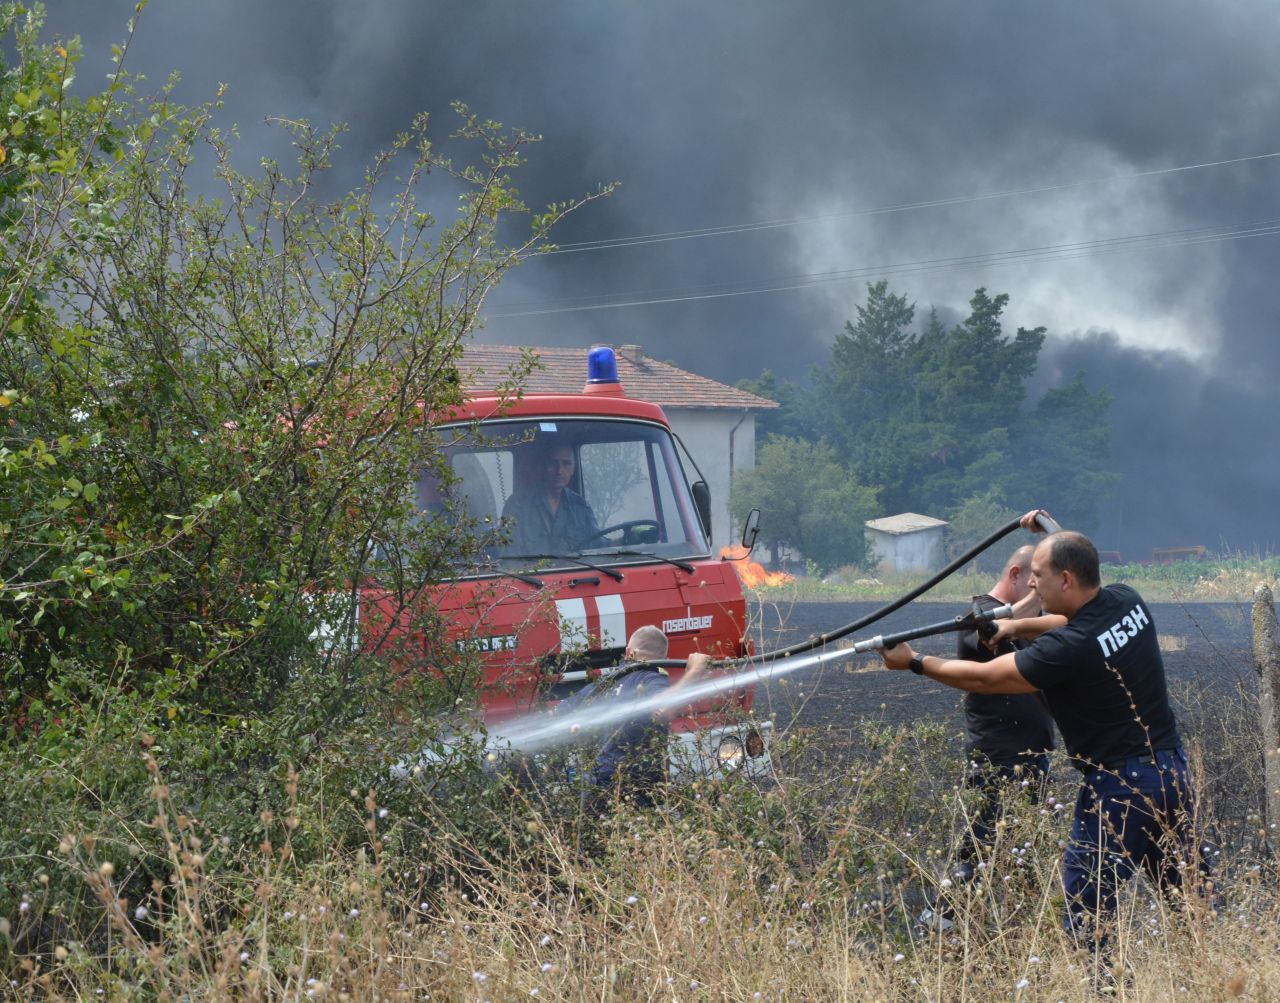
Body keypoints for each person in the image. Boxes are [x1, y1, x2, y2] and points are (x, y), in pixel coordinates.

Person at [881, 511, 1213, 952]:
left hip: (1119, 786)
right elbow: (1070, 616)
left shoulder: (1067, 651)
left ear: (1067, 580)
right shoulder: (1125, 600)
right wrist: (1015, 624)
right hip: (1171, 773)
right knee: (1188, 897)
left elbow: (986, 677)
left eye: (1039, 577)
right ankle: (1211, 973)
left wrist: (915, 662)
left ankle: (1104, 990)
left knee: (1086, 907)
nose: (1033, 585)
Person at [920, 545, 1056, 931]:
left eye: (1040, 581)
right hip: (997, 753)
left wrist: (1051, 535)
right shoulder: (978, 616)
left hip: (1031, 753)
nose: (1037, 589)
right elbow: (997, 632)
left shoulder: (1028, 617)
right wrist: (1039, 593)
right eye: (1032, 580)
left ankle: (1022, 932)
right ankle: (937, 924)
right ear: (1015, 575)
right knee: (978, 845)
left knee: (1026, 847)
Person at [556, 625, 712, 808]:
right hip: (636, 792)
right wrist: (694, 672)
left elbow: (561, 711)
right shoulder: (650, 679)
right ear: (664, 659)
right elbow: (664, 709)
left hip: (598, 789)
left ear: (629, 652)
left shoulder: (607, 683)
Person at [501, 439, 598, 554]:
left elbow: (597, 545)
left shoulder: (581, 508)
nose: (560, 471)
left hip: (576, 571)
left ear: (573, 468)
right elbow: (508, 555)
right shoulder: (518, 506)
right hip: (533, 572)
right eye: (553, 463)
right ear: (543, 466)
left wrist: (621, 543)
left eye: (566, 463)